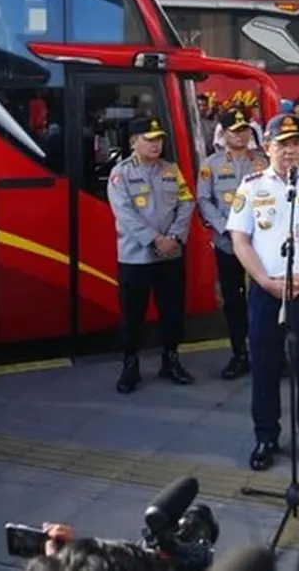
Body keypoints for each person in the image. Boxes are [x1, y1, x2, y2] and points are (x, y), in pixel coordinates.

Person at [227, 113, 299, 471]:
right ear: (267, 147)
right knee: (264, 365)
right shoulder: (251, 185)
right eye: (284, 144)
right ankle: (266, 435)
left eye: (297, 144)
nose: (292, 151)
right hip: (266, 289)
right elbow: (240, 239)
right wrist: (263, 279)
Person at [107, 117, 196, 393]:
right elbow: (125, 214)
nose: (156, 144)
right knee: (133, 314)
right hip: (136, 258)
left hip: (170, 254)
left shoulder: (171, 170)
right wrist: (155, 239)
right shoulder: (120, 174)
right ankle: (130, 365)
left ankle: (171, 360)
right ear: (134, 142)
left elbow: (186, 202)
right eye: (149, 139)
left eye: (158, 139)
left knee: (172, 311)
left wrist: (175, 238)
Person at [196, 108, 268, 379]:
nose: (240, 135)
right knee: (233, 299)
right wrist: (229, 228)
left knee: (264, 297)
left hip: (262, 243)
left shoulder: (262, 162)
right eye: (235, 131)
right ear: (223, 134)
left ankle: (269, 352)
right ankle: (239, 353)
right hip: (228, 244)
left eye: (244, 130)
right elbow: (204, 200)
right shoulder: (210, 165)